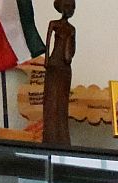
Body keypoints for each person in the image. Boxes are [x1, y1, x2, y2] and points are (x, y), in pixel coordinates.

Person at [41, 0, 75, 146]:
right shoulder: (54, 24)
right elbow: (48, 44)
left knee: (61, 103)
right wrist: (47, 60)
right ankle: (50, 136)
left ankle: (61, 137)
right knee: (51, 101)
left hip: (64, 68)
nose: (70, 10)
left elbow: (70, 53)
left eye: (72, 7)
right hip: (54, 65)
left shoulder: (72, 29)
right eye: (67, 6)